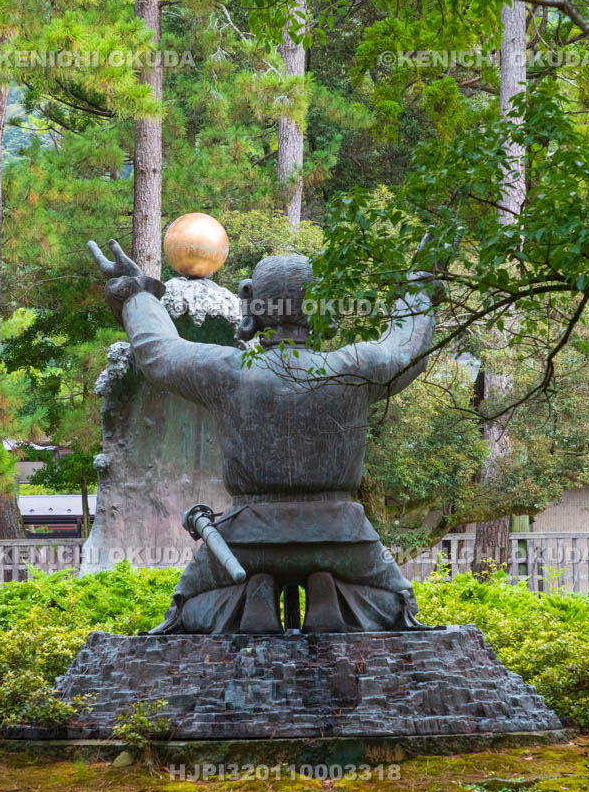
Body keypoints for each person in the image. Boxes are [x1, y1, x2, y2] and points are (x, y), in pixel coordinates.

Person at [89, 239, 435, 634]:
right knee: (396, 607)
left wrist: (136, 294)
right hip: (341, 536)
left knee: (186, 609)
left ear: (250, 301)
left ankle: (254, 593)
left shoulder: (227, 370)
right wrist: (419, 280)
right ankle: (332, 592)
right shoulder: (354, 368)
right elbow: (408, 344)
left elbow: (158, 352)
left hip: (246, 538)